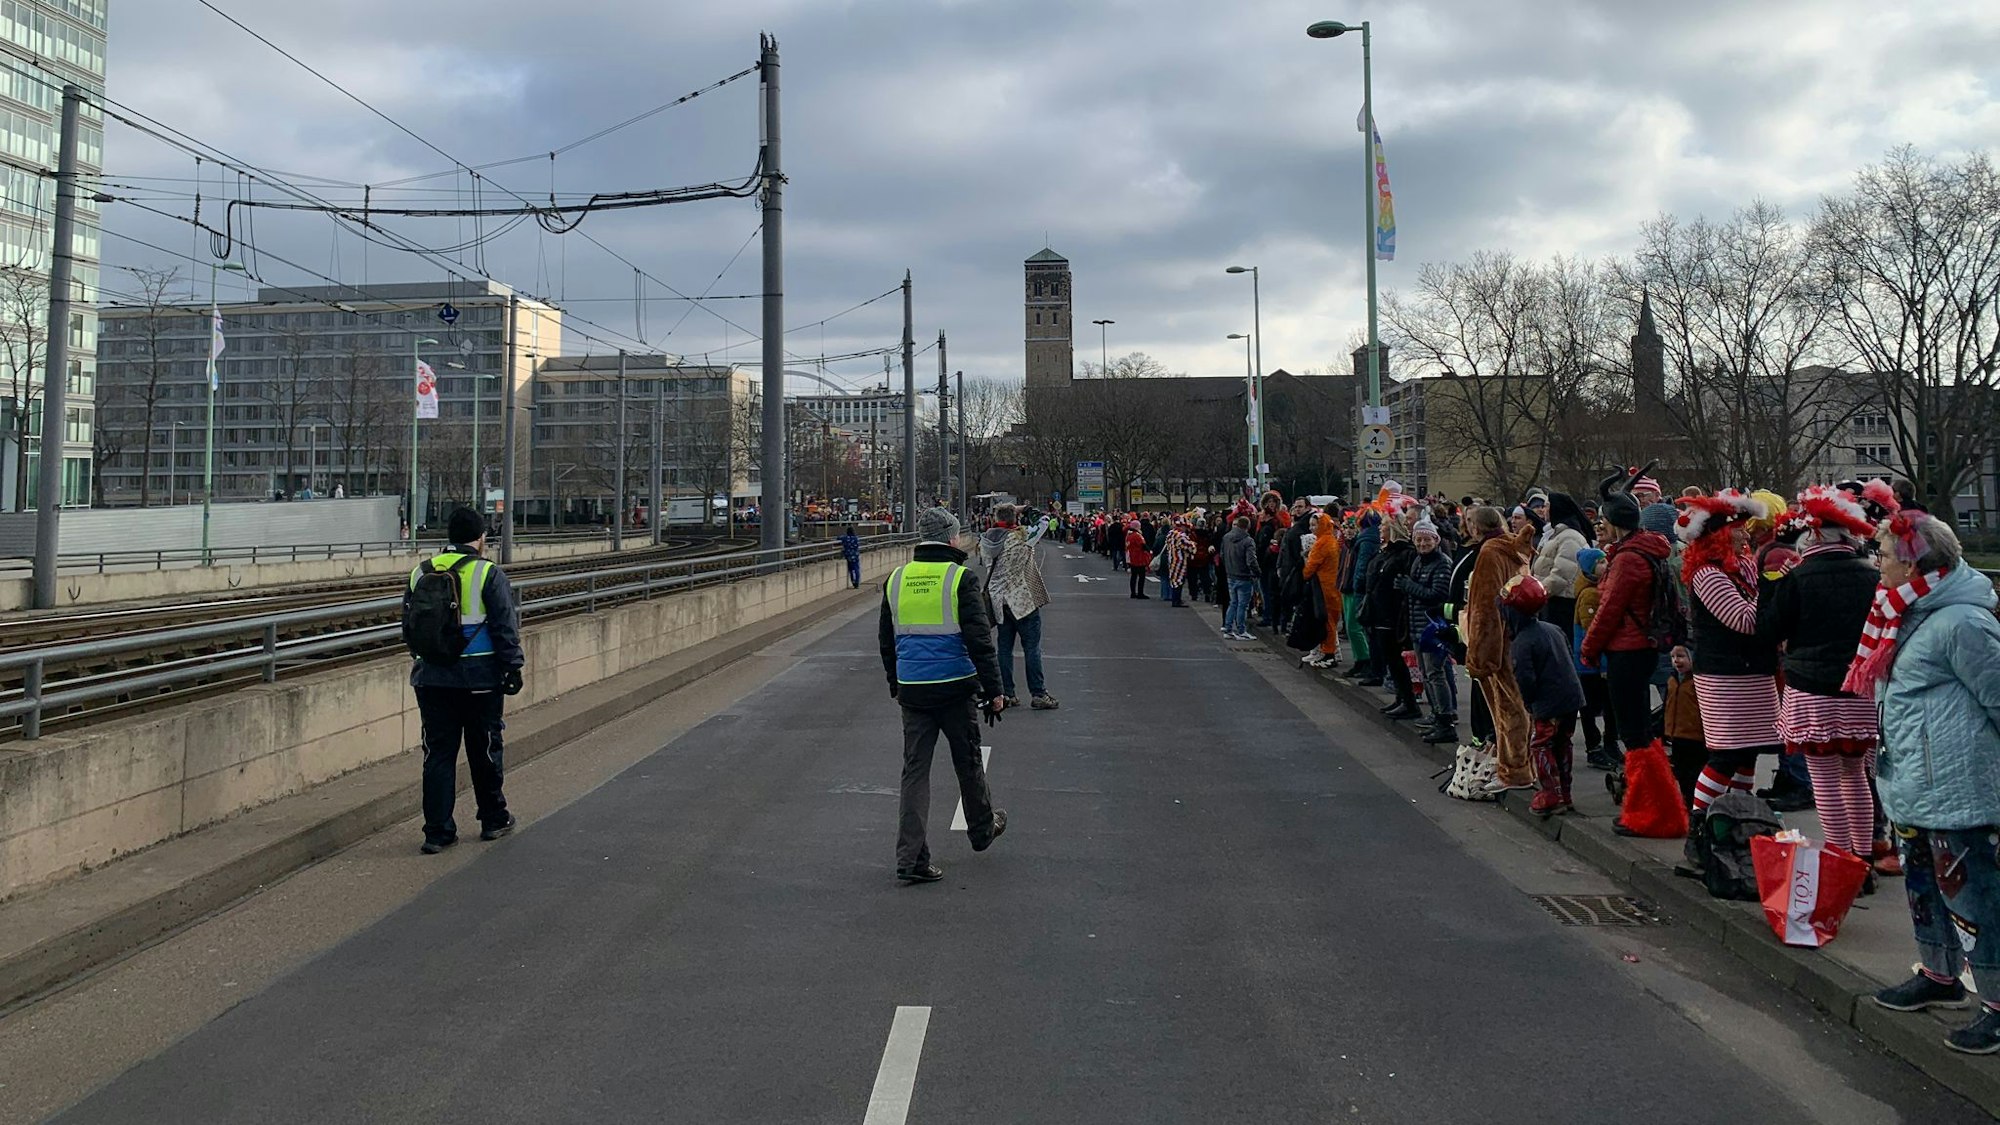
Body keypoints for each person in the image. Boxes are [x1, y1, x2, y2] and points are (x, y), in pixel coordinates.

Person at [1856, 512, 2000, 1054]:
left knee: (1977, 900)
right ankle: (1939, 975)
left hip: (1958, 790)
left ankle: (1997, 1002)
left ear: (1914, 563)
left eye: (1886, 554)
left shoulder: (1961, 621)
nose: (1879, 562)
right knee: (1925, 890)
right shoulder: (1908, 612)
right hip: (1914, 784)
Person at [880, 506, 1009, 884]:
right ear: (952, 538)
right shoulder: (960, 579)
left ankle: (911, 859)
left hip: (913, 690)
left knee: (914, 773)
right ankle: (982, 829)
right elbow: (979, 640)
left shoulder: (897, 579)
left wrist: (896, 683)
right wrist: (995, 689)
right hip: (955, 687)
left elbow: (887, 641)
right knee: (967, 761)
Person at [404, 507, 523, 855]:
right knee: (484, 748)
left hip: (431, 680)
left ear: (450, 538)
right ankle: (493, 818)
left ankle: (438, 832)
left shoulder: (420, 572)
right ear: (481, 538)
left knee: (438, 754)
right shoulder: (488, 573)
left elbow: (408, 629)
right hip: (480, 679)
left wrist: (426, 663)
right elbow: (504, 628)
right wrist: (513, 667)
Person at [1675, 491, 1783, 838]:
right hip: (1725, 676)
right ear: (1721, 534)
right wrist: (1775, 590)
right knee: (1725, 754)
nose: (1746, 534)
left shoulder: (1741, 567)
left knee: (1748, 753)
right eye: (1739, 529)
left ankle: (1741, 819)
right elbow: (1744, 620)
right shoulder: (1708, 574)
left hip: (1751, 670)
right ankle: (1699, 824)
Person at [1580, 464, 1672, 784]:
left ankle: (1647, 801)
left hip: (1627, 650)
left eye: (1604, 520)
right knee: (1640, 729)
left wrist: (1588, 650)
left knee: (1633, 732)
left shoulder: (1628, 559)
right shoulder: (1644, 550)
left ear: (1616, 522)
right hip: (1641, 646)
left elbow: (1609, 610)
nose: (1600, 524)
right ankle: (1651, 793)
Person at [1464, 506, 1538, 789]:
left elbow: (1485, 609)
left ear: (1476, 528)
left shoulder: (1489, 553)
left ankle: (1514, 770)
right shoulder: (1513, 547)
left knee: (1507, 708)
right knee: (1517, 705)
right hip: (1519, 632)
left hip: (1500, 641)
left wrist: (1481, 656)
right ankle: (1518, 764)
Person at [1503, 574, 1584, 816]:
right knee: (1563, 743)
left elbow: (1526, 679)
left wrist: (1529, 703)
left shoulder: (1522, 642)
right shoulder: (1552, 629)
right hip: (1571, 698)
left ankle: (1551, 794)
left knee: (1541, 745)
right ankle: (1565, 793)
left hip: (1548, 703)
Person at [978, 503, 1058, 711]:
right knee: (1032, 648)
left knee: (1004, 649)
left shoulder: (986, 541)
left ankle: (1007, 693)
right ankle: (1038, 693)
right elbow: (1043, 522)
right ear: (1015, 518)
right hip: (1023, 600)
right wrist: (1028, 509)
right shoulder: (1022, 536)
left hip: (999, 602)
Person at [1361, 510, 1420, 720]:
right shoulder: (1384, 551)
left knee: (1396, 659)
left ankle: (1409, 702)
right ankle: (1401, 698)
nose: (1380, 529)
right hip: (1379, 611)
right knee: (1390, 659)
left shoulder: (1404, 553)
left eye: (1384, 526)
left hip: (1392, 613)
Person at [1405, 513, 1459, 744]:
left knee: (1436, 673)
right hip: (1417, 626)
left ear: (1436, 540)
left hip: (1433, 628)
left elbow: (1437, 595)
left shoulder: (1442, 563)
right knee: (1427, 674)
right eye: (1418, 540)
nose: (1422, 544)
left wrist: (1410, 587)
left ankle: (1445, 717)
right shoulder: (1419, 561)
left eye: (1427, 540)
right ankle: (1437, 714)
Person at [1573, 548, 1617, 769]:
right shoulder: (1590, 594)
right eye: (1600, 563)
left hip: (1594, 661)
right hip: (1590, 663)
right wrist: (1601, 662)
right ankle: (1596, 747)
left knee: (1606, 705)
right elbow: (1593, 632)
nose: (1605, 565)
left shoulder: (1597, 590)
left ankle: (1607, 745)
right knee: (1592, 707)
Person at [1532, 492, 1591, 643]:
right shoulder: (1555, 534)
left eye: (1547, 506)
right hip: (1550, 602)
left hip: (1561, 604)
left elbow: (1561, 576)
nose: (1544, 510)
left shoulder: (1570, 537)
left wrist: (1536, 594)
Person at [1661, 644, 1705, 804]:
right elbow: (1667, 706)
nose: (1676, 661)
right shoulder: (1672, 680)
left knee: (1694, 773)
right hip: (1677, 735)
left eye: (1681, 656)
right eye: (1673, 657)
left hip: (1696, 737)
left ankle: (1694, 804)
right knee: (1681, 773)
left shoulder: (1698, 681)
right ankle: (1687, 803)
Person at [1302, 510, 1344, 669]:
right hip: (1332, 586)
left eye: (1314, 525)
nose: (1312, 528)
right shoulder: (1331, 540)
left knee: (1326, 621)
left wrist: (1303, 574)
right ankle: (1328, 652)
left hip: (1323, 586)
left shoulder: (1321, 543)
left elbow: (1310, 567)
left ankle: (1328, 654)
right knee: (1331, 620)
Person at [1221, 515, 1258, 641]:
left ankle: (1228, 628)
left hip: (1231, 574)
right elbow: (1251, 560)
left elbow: (1222, 555)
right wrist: (1257, 572)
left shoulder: (1226, 537)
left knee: (1233, 603)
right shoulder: (1248, 541)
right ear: (1248, 527)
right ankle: (1241, 630)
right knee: (1243, 605)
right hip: (1245, 576)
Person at [1125, 519, 1152, 599]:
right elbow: (1143, 545)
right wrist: (1150, 551)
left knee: (1133, 576)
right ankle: (1140, 593)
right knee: (1141, 576)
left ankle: (1133, 593)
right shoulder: (1137, 535)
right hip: (1139, 558)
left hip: (1132, 558)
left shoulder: (1128, 535)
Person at [840, 524, 863, 588]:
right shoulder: (856, 538)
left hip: (848, 555)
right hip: (855, 555)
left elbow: (839, 538)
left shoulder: (845, 538)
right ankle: (857, 582)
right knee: (856, 569)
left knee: (851, 569)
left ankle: (853, 581)